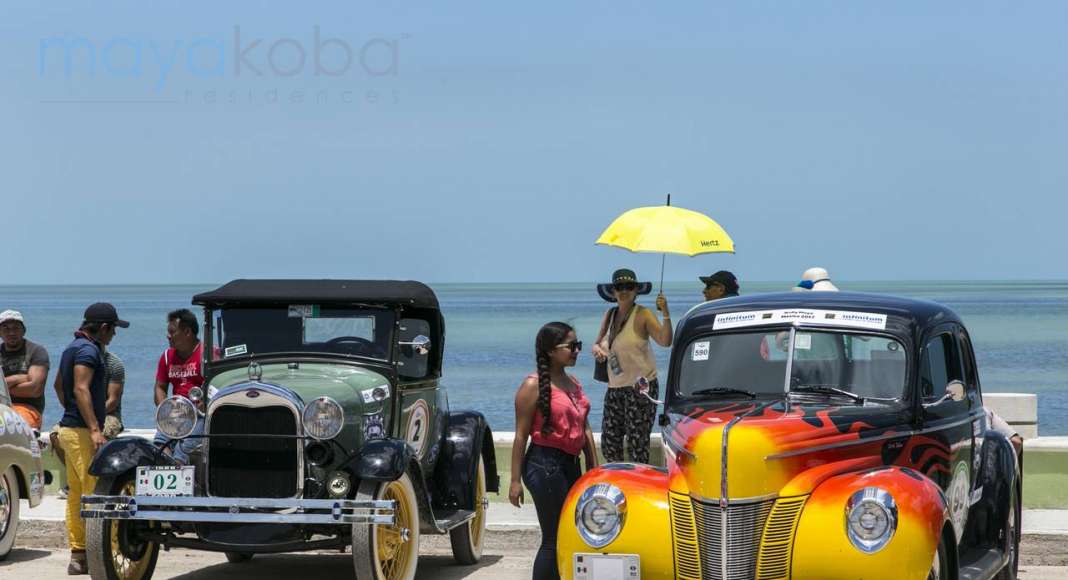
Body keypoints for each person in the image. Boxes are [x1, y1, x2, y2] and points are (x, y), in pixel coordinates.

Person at [509, 322, 596, 580]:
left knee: (572, 534)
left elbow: (585, 427)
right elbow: (521, 435)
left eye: (578, 345)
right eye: (571, 346)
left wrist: (593, 466)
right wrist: (514, 481)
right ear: (550, 350)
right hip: (544, 465)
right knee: (553, 537)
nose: (577, 351)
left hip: (571, 465)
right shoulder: (532, 385)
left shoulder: (573, 383)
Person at [55, 302, 128, 575]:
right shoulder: (88, 350)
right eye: (113, 330)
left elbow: (59, 387)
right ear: (104, 328)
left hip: (69, 430)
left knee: (77, 495)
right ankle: (99, 554)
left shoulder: (71, 348)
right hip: (82, 433)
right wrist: (95, 428)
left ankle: (79, 555)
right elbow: (81, 388)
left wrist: (70, 412)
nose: (114, 336)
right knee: (94, 493)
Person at [592, 269, 672, 464]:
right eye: (619, 287)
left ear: (636, 290)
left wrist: (666, 313)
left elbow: (665, 340)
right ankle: (620, 483)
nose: (624, 291)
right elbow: (598, 342)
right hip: (615, 388)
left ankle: (639, 488)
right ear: (613, 291)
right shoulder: (610, 314)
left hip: (640, 388)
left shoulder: (643, 314)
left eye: (629, 287)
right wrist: (598, 350)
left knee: (638, 444)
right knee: (610, 444)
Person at [153, 308, 205, 463]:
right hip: (176, 412)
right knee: (159, 446)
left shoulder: (207, 354)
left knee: (185, 448)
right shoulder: (168, 357)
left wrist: (205, 404)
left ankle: (179, 467)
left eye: (172, 332)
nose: (168, 336)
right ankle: (165, 467)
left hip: (199, 414)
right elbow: (160, 387)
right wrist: (164, 409)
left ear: (187, 332)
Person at [0, 309, 50, 430]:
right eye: (6, 328)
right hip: (1, 408)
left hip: (27, 408)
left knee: (16, 426)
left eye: (16, 328)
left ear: (23, 330)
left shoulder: (36, 351)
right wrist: (18, 378)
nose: (11, 332)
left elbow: (34, 389)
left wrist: (2, 388)